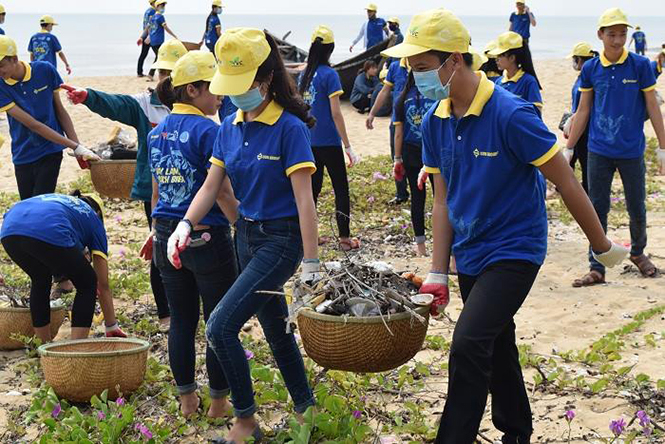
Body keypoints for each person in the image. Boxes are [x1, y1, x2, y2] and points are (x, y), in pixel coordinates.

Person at [382, 9, 628, 443]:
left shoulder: (510, 114)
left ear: (454, 60)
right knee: (497, 341)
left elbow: (566, 181)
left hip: (515, 248)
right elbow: (442, 199)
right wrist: (438, 271)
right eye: (410, 68)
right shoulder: (437, 118)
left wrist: (602, 245)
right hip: (472, 249)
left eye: (421, 67)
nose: (414, 76)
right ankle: (517, 430)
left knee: (468, 343)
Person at [168, 28, 319, 443]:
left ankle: (246, 421)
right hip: (245, 237)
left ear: (265, 80)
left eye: (243, 87)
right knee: (275, 327)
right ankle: (307, 408)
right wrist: (184, 224)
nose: (235, 96)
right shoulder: (228, 126)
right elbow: (210, 186)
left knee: (219, 327)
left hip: (281, 240)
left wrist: (311, 262)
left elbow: (305, 201)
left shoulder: (290, 129)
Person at [60, 39, 188, 332]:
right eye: (161, 72)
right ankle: (165, 311)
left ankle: (187, 305)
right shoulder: (145, 104)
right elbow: (117, 103)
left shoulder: (195, 104)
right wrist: (88, 96)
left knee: (189, 248)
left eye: (171, 72)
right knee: (160, 244)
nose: (164, 79)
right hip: (157, 190)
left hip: (191, 190)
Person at [143, 50, 238, 419]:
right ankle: (217, 402)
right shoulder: (209, 130)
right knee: (218, 319)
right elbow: (223, 190)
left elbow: (157, 191)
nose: (221, 95)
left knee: (181, 321)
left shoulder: (156, 134)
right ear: (194, 90)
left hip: (167, 231)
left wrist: (156, 230)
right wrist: (242, 226)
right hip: (206, 234)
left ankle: (186, 400)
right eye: (214, 88)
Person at [566, 8, 665, 287]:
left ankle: (638, 252)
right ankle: (597, 266)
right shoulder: (590, 69)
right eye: (612, 34)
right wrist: (570, 147)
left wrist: (663, 146)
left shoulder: (641, 65)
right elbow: (583, 111)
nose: (618, 40)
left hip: (632, 149)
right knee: (596, 208)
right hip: (599, 149)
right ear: (600, 35)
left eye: (623, 34)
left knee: (637, 206)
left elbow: (652, 108)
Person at [1, 192, 126, 341]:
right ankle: (75, 347)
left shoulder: (62, 201)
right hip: (48, 229)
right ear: (98, 213)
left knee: (40, 278)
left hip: (9, 230)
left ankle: (42, 344)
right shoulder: (93, 219)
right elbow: (102, 284)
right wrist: (111, 325)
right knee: (87, 283)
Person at [0, 36, 98, 200]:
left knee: (41, 204)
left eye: (1, 65)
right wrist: (74, 146)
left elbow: (60, 110)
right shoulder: (1, 85)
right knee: (28, 205)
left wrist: (78, 148)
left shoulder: (45, 70)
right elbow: (33, 125)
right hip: (22, 152)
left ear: (15, 59)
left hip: (50, 150)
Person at [299, 25, 360, 251]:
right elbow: (336, 113)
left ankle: (310, 237)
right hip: (329, 143)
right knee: (340, 188)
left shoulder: (304, 75)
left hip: (308, 142)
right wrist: (348, 146)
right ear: (331, 49)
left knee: (311, 192)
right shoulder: (330, 75)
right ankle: (344, 239)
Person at [392, 71, 436, 256]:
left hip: (410, 153)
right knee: (441, 198)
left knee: (417, 199)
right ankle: (447, 249)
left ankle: (421, 247)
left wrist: (397, 158)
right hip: (434, 151)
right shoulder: (435, 95)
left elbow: (399, 133)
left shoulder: (402, 99)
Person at [367, 57, 410, 204]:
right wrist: (372, 113)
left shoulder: (424, 65)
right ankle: (401, 193)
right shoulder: (395, 67)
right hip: (397, 119)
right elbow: (385, 91)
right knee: (396, 157)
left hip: (418, 120)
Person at [562, 42, 598, 194]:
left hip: (586, 130)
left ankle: (587, 193)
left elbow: (587, 107)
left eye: (575, 59)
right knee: (569, 160)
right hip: (575, 127)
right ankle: (566, 188)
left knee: (585, 163)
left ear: (581, 60)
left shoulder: (591, 79)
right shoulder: (581, 78)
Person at [491, 31, 543, 115]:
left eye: (500, 55)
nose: (496, 60)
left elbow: (536, 110)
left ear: (512, 58)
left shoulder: (528, 81)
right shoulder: (498, 82)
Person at [142, 0, 178, 81]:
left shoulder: (153, 17)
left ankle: (155, 74)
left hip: (153, 41)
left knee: (159, 57)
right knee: (160, 58)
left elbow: (148, 27)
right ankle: (155, 74)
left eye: (164, 6)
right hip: (158, 41)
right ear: (157, 6)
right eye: (162, 6)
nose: (163, 8)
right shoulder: (160, 17)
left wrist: (147, 37)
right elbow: (166, 28)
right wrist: (174, 35)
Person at [137, 0, 157, 78]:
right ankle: (151, 73)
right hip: (149, 36)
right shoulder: (152, 11)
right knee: (158, 55)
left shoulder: (147, 11)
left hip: (145, 34)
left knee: (143, 54)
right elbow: (149, 25)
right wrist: (149, 36)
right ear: (153, 3)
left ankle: (139, 72)